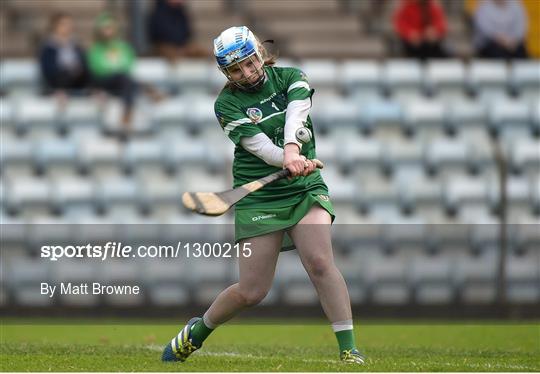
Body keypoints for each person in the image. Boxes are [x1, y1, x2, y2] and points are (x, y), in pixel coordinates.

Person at [161, 26, 365, 365]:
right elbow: (258, 148)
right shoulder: (226, 104)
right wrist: (286, 157)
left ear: (259, 53)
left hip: (304, 186)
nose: (247, 72)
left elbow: (296, 116)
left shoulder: (290, 77)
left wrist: (292, 151)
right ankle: (196, 332)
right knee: (252, 291)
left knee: (318, 261)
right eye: (235, 69)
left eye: (250, 62)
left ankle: (348, 348)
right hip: (260, 195)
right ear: (226, 72)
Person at [87, 13, 138, 129]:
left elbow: (129, 63)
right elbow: (96, 68)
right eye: (105, 28)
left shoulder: (123, 46)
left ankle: (127, 113)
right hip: (104, 80)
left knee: (128, 81)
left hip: (120, 80)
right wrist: (113, 69)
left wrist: (115, 68)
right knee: (129, 81)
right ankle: (127, 111)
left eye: (110, 28)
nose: (108, 31)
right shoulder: (95, 48)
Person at [38, 13, 90, 97]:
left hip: (77, 81)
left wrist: (78, 69)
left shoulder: (76, 45)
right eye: (64, 24)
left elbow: (84, 63)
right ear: (55, 26)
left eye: (69, 24)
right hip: (58, 81)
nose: (67, 27)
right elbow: (48, 70)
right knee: (64, 76)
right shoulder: (49, 47)